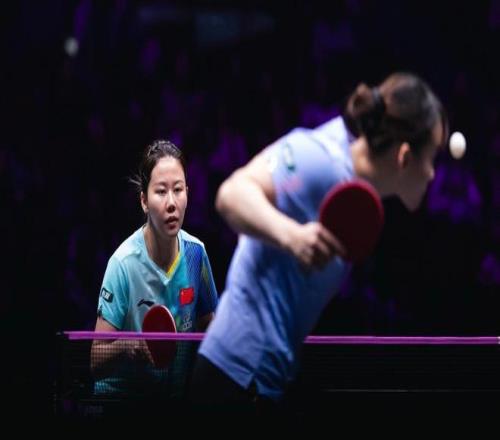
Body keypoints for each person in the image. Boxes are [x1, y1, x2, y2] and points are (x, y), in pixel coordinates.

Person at [190, 72, 448, 413]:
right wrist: (293, 237)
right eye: (432, 158)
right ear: (404, 157)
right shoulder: (321, 160)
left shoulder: (351, 170)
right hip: (233, 379)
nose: (432, 173)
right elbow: (231, 194)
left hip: (262, 382)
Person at [91, 139, 218, 398]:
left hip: (172, 404)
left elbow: (209, 328)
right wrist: (127, 345)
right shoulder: (123, 264)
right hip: (119, 405)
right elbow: (95, 361)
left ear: (187, 193)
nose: (171, 202)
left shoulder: (196, 254)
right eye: (161, 191)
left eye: (178, 190)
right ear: (144, 201)